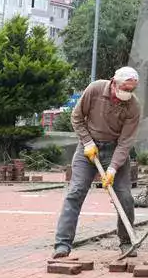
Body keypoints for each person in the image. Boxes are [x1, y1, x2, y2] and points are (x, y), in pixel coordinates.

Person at [52, 66, 142, 258]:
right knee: (75, 192)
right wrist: (87, 142)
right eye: (124, 89)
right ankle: (62, 244)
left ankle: (126, 241)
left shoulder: (133, 106)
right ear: (113, 82)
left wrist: (112, 169)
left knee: (125, 197)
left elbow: (126, 142)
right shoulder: (94, 89)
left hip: (115, 149)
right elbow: (76, 118)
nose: (127, 93)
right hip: (88, 148)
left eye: (131, 90)